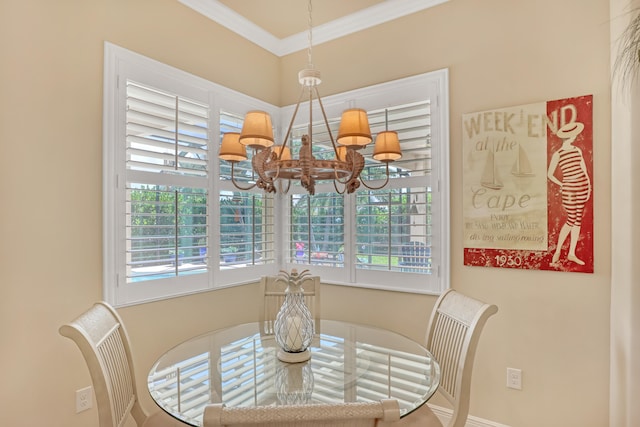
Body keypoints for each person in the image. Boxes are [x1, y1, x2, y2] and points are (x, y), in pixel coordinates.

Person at [547, 121, 591, 265]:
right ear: (569, 137)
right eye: (573, 135)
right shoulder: (558, 154)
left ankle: (571, 253)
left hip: (582, 186)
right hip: (570, 189)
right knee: (571, 219)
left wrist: (589, 186)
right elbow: (550, 174)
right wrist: (562, 184)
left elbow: (584, 169)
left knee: (578, 220)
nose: (575, 137)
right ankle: (558, 250)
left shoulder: (577, 150)